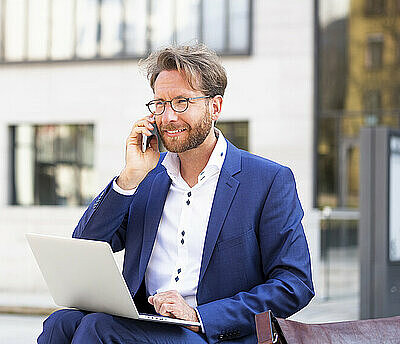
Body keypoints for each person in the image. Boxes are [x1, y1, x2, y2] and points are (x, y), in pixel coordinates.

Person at [37, 44, 314, 344]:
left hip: (212, 334)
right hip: (145, 322)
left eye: (181, 102)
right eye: (160, 103)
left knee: (98, 329)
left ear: (215, 106)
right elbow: (85, 245)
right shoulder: (147, 177)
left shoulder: (268, 180)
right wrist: (129, 178)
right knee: (61, 323)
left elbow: (294, 283)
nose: (168, 117)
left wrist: (199, 317)